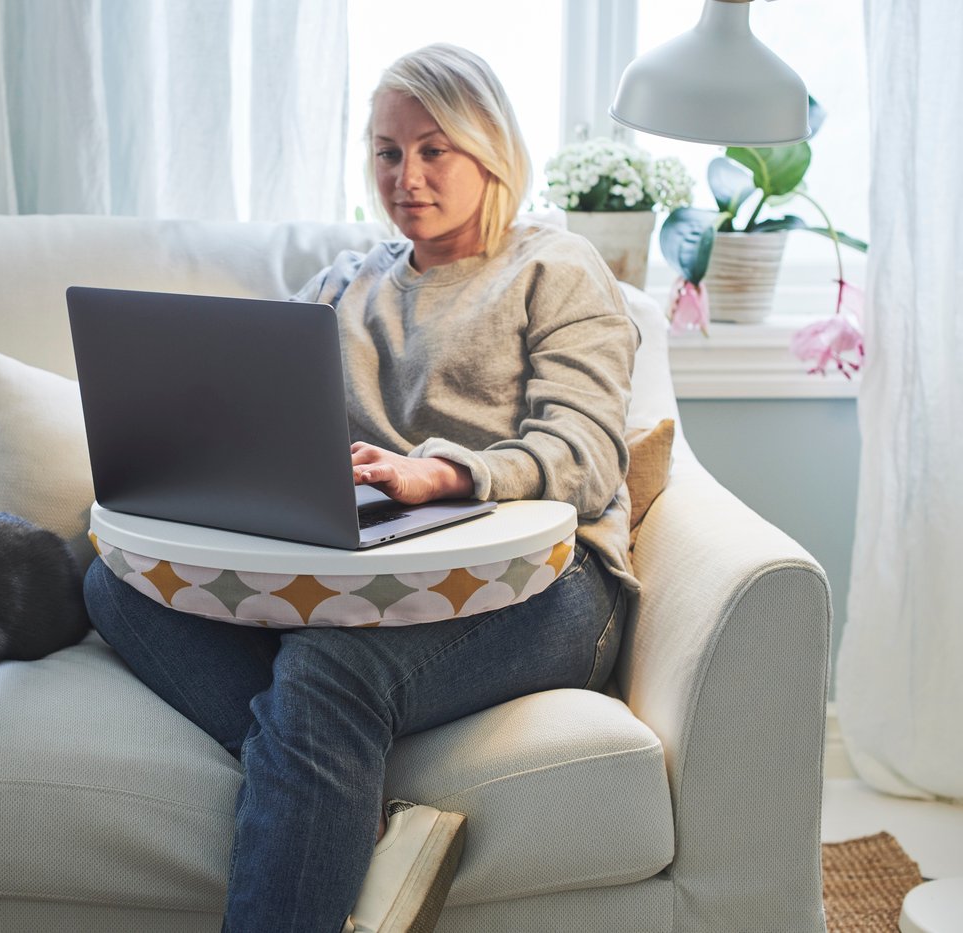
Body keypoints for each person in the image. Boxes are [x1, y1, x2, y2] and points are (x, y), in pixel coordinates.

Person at [84, 43, 640, 933]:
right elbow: (260, 411)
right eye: (387, 151)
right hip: (373, 574)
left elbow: (586, 455)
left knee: (326, 666)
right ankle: (333, 796)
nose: (406, 175)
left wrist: (449, 471)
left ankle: (318, 770)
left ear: (489, 149)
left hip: (548, 581)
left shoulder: (556, 268)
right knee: (114, 579)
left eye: (433, 150)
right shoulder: (346, 283)